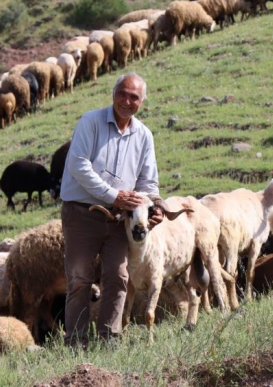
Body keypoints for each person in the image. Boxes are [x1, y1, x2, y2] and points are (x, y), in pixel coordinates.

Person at [60, 72, 163, 348]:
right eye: (123, 93)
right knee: (80, 278)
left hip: (119, 219)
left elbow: (148, 181)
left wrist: (153, 205)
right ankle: (76, 342)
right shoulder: (90, 122)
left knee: (118, 276)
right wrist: (113, 195)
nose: (127, 101)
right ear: (113, 93)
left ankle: (109, 339)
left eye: (134, 97)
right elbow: (79, 165)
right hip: (82, 213)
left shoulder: (143, 135)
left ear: (141, 102)